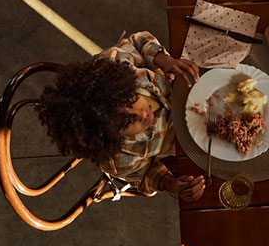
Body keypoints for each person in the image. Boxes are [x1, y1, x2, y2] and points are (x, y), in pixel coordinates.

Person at [35, 31, 205, 201]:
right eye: (125, 124)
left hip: (194, 87)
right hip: (196, 142)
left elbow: (137, 41)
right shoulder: (117, 158)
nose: (142, 114)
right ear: (110, 138)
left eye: (131, 100)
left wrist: (164, 60)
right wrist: (169, 184)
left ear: (121, 85)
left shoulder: (113, 64)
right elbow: (145, 174)